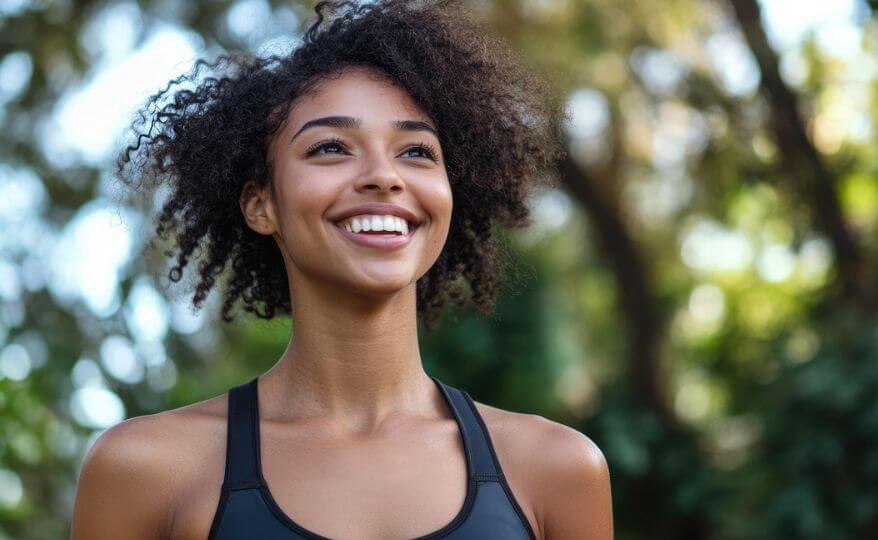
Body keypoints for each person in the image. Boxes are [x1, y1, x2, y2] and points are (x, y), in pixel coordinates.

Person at [70, 1, 613, 539]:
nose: (384, 176)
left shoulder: (556, 470)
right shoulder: (147, 470)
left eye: (417, 152)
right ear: (261, 205)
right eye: (331, 148)